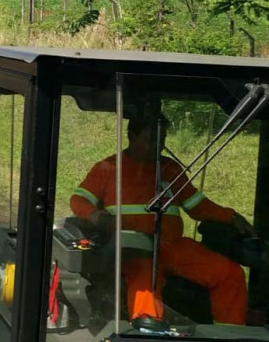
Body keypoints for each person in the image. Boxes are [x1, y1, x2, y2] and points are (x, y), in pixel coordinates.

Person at [70, 117, 255, 326]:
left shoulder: (170, 169)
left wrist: (230, 216)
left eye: (163, 138)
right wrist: (94, 214)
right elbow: (78, 199)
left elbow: (197, 206)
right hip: (135, 249)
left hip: (174, 246)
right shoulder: (108, 168)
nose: (159, 145)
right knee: (145, 281)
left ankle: (229, 334)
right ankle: (147, 331)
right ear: (132, 136)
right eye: (152, 138)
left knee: (229, 273)